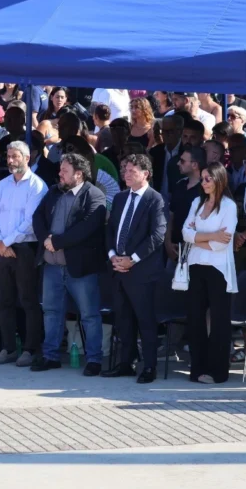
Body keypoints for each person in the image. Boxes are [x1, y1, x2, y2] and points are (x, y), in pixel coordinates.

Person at [31, 153, 107, 375]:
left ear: (79, 174)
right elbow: (38, 218)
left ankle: (94, 359)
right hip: (52, 266)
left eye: (65, 171)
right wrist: (47, 240)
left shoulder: (94, 195)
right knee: (52, 312)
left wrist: (57, 242)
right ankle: (50, 356)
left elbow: (87, 227)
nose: (60, 174)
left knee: (89, 315)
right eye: (60, 170)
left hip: (80, 268)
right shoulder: (54, 192)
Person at [103, 154, 167, 384]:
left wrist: (133, 259)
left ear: (145, 173)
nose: (126, 174)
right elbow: (110, 230)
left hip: (142, 271)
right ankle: (125, 363)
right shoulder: (120, 198)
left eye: (131, 171)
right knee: (123, 319)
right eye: (125, 170)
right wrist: (113, 256)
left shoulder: (154, 199)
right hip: (118, 268)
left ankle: (149, 366)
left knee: (145, 321)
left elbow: (157, 235)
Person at [0, 141, 48, 367]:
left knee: (28, 300)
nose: (10, 160)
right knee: (5, 300)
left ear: (27, 158)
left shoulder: (37, 186)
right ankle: (8, 347)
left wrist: (7, 242)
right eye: (8, 156)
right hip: (1, 248)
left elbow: (31, 222)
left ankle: (31, 348)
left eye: (15, 156)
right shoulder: (3, 185)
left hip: (24, 248)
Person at [182, 162, 238, 384]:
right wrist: (209, 236)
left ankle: (218, 371)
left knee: (219, 322)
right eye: (202, 178)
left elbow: (223, 242)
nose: (204, 182)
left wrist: (199, 239)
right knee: (195, 319)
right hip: (195, 267)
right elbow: (185, 233)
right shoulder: (197, 202)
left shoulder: (228, 206)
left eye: (208, 178)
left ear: (218, 179)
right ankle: (198, 369)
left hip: (218, 270)